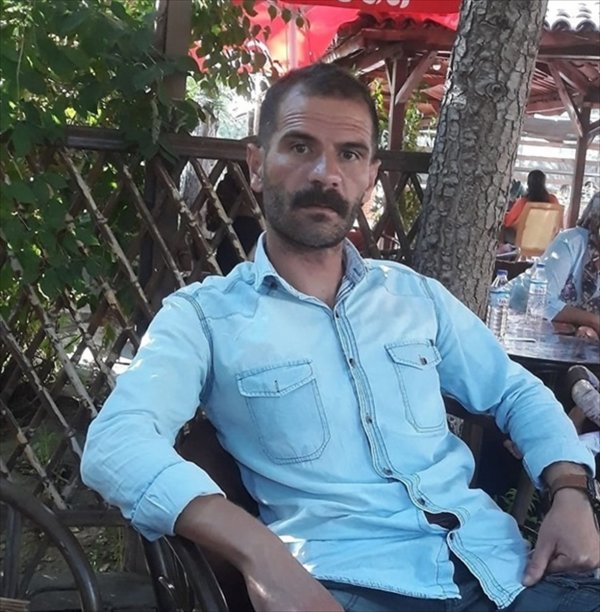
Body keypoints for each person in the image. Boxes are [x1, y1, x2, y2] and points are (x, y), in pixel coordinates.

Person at [81, 63, 600, 612]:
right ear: (256, 165)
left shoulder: (414, 297)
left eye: (349, 154)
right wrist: (259, 552)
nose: (325, 173)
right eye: (299, 147)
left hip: (503, 570)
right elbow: (116, 444)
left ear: (370, 177)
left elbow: (515, 391)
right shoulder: (205, 317)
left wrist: (569, 490)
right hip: (350, 585)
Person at [508, 192, 600, 340]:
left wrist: (589, 327)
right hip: (511, 320)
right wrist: (593, 321)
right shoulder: (571, 243)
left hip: (560, 337)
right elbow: (541, 303)